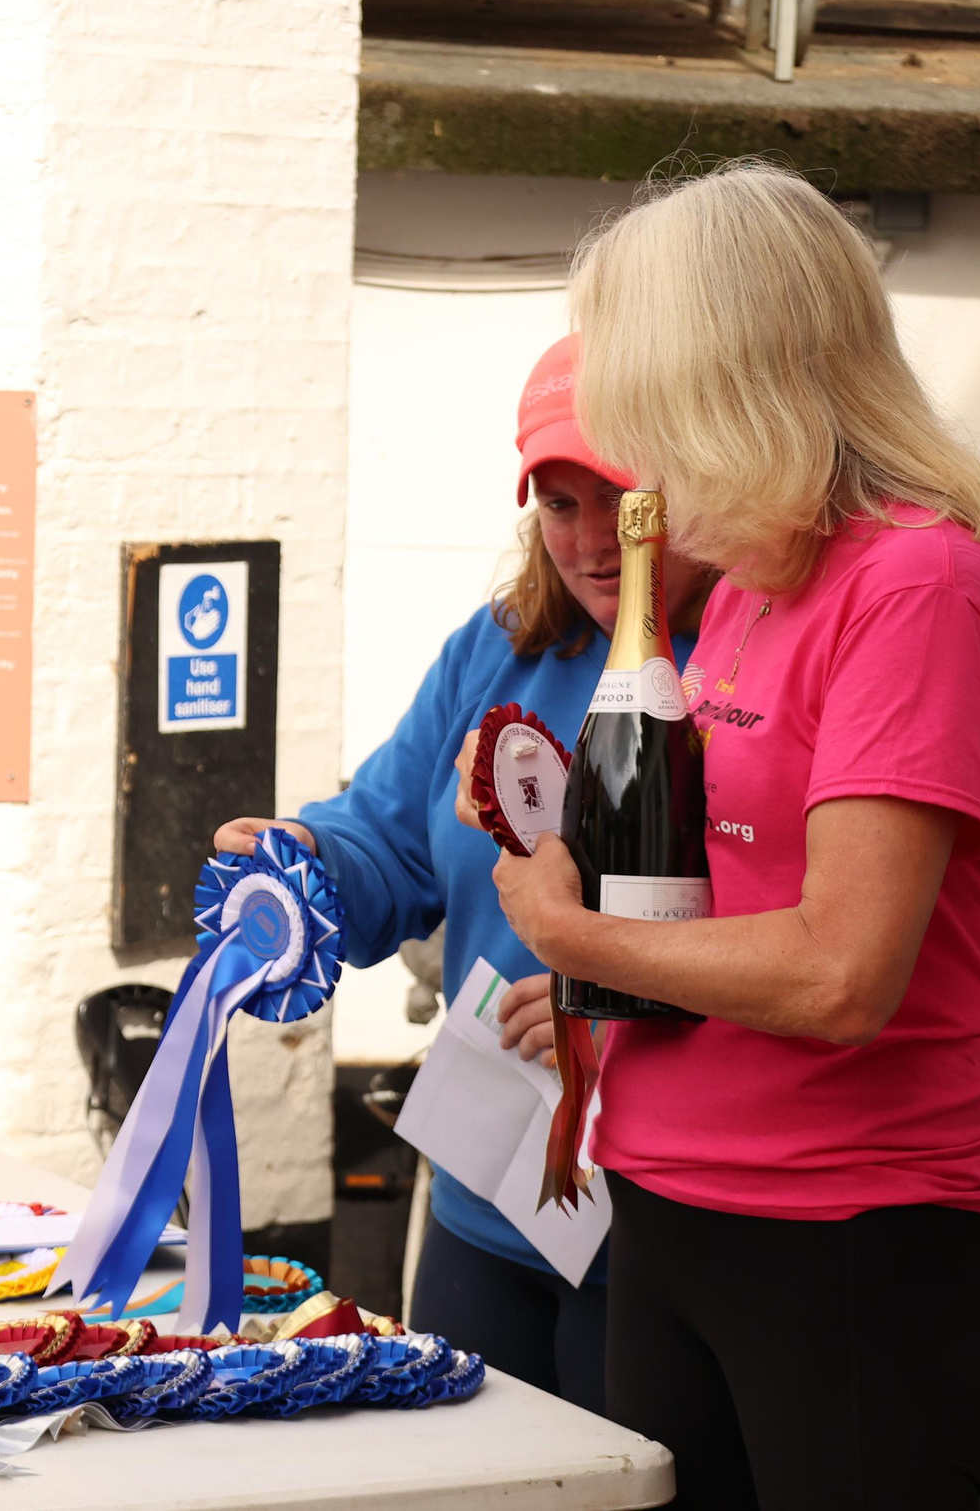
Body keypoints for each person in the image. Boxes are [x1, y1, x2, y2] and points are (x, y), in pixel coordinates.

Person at [484, 160, 980, 1510]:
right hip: (673, 1194)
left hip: (846, 1220)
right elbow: (719, 897)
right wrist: (595, 960)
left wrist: (580, 934)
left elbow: (840, 973)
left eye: (646, 391)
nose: (635, 438)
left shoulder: (919, 584)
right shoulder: (754, 577)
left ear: (724, 377)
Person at [217, 335, 710, 1414]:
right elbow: (389, 839)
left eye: (615, 499)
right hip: (486, 1196)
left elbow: (785, 931)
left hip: (654, 1219)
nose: (587, 543)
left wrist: (616, 986)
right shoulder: (495, 648)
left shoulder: (743, 664)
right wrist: (302, 869)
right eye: (558, 504)